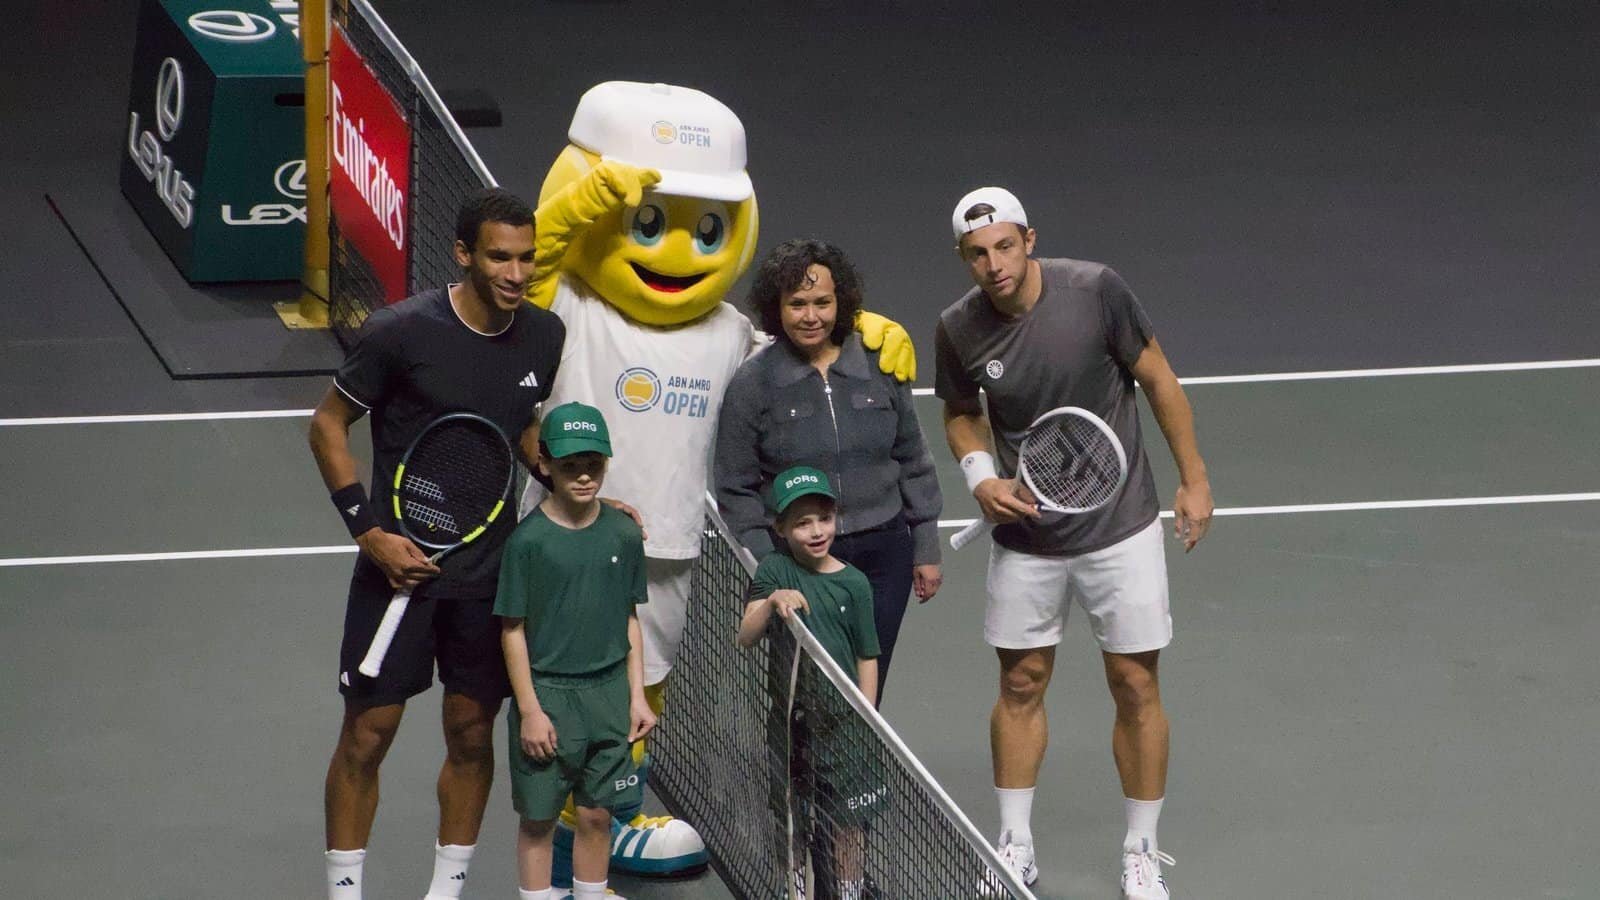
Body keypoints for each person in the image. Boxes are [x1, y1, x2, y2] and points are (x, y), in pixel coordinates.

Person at [934, 187, 1213, 898]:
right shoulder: (958, 329)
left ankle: (1142, 849)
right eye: (977, 254)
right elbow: (962, 415)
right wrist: (979, 476)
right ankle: (1014, 845)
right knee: (1020, 683)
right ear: (963, 259)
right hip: (1027, 537)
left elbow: (1157, 379)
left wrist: (1194, 480)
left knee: (1135, 683)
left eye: (1003, 246)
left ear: (1028, 239)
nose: (993, 265)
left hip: (1120, 530)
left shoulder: (1096, 291)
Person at [310, 188, 563, 900]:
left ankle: (444, 892)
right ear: (463, 254)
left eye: (526, 258)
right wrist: (367, 530)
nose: (516, 274)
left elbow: (509, 426)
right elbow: (327, 426)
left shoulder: (545, 336)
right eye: (499, 258)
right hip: (398, 567)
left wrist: (560, 472)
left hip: (487, 573)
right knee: (367, 735)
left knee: (473, 734)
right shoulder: (401, 331)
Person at [716, 239, 943, 697]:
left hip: (884, 552)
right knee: (802, 689)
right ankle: (797, 772)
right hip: (800, 558)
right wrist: (771, 566)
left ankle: (856, 768)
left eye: (822, 302)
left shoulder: (880, 365)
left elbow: (913, 457)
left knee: (867, 680)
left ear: (842, 303)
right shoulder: (753, 384)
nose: (811, 316)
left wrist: (926, 546)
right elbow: (734, 486)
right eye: (797, 304)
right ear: (775, 308)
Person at [497, 402, 654, 900]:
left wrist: (637, 696)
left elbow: (630, 618)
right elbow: (512, 631)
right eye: (570, 467)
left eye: (594, 465)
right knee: (539, 820)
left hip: (608, 696)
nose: (584, 477)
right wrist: (530, 711)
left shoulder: (625, 533)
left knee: (596, 814)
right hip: (549, 698)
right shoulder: (527, 543)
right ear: (544, 465)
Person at [737, 466, 883, 900]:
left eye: (824, 518)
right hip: (790, 725)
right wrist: (771, 602)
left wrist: (866, 715)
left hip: (845, 729)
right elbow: (745, 635)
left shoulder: (854, 584)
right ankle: (796, 891)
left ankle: (851, 893)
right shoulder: (774, 570)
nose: (817, 531)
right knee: (791, 819)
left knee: (848, 825)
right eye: (802, 522)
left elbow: (867, 655)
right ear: (780, 528)